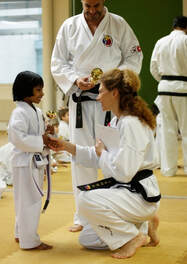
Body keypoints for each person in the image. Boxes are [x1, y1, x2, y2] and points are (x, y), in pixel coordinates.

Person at [51, 0, 143, 232]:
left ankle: (117, 211)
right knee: (81, 155)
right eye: (87, 6)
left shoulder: (118, 24)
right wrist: (74, 79)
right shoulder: (69, 26)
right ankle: (83, 214)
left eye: (96, 6)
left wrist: (114, 78)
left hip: (110, 98)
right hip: (81, 100)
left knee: (114, 153)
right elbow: (58, 62)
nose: (92, 11)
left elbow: (134, 57)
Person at [49, 68, 161, 259]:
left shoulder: (131, 123)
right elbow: (98, 155)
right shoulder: (118, 121)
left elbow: (124, 172)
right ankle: (142, 225)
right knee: (88, 239)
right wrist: (66, 146)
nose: (98, 97)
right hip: (127, 193)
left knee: (85, 200)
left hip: (139, 194)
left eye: (101, 91)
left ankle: (132, 237)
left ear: (114, 93)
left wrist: (102, 154)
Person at [8, 71, 54, 250]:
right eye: (38, 90)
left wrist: (48, 131)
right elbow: (17, 138)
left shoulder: (36, 110)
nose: (42, 93)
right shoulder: (19, 112)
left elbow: (39, 134)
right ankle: (30, 241)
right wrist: (41, 140)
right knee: (30, 201)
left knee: (25, 200)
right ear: (26, 90)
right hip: (25, 162)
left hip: (34, 161)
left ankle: (21, 234)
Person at [150, 16, 187, 176]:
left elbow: (153, 67)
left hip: (164, 88)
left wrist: (164, 80)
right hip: (183, 88)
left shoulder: (161, 41)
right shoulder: (185, 41)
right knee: (186, 131)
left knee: (166, 130)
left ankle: (168, 169)